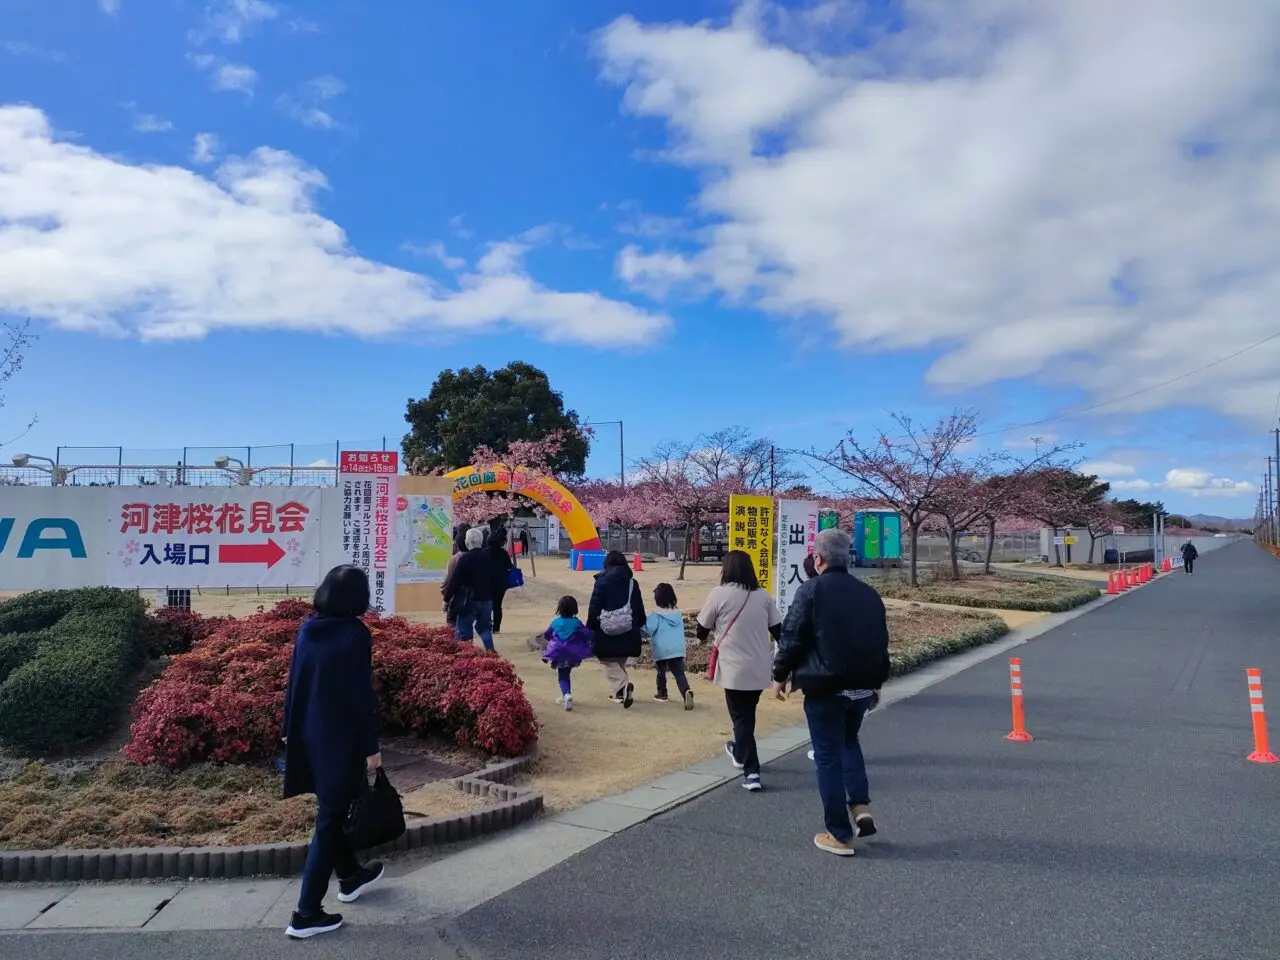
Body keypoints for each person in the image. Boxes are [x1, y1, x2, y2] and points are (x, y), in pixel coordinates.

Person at [281, 565, 386, 939]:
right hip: (340, 740)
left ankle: (351, 876)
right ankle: (305, 913)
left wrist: (287, 730)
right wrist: (372, 749)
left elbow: (296, 680)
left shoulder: (308, 627)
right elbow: (361, 698)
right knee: (328, 821)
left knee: (333, 808)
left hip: (309, 734)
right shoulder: (355, 635)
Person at [774, 528, 890, 857]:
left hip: (825, 687)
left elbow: (793, 636)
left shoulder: (811, 590)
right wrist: (876, 684)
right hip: (862, 688)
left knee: (827, 757)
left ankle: (839, 834)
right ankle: (861, 807)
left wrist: (780, 674)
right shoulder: (869, 594)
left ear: (818, 558)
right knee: (849, 743)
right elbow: (880, 644)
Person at [697, 550, 782, 791]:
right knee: (746, 716)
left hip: (734, 669)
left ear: (727, 569)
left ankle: (751, 772)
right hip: (759, 668)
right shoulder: (763, 596)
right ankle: (739, 749)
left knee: (741, 719)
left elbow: (701, 629)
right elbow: (779, 631)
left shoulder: (719, 594)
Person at [587, 550, 646, 708]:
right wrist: (641, 623)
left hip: (606, 629)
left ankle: (623, 685)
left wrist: (591, 625)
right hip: (628, 628)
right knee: (619, 662)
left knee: (606, 660)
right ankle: (619, 694)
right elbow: (638, 606)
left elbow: (595, 607)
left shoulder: (602, 582)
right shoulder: (632, 583)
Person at [443, 527, 502, 651]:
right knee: (484, 628)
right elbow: (496, 579)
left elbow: (455, 581)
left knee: (464, 631)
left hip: (468, 600)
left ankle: (467, 657)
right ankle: (491, 652)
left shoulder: (465, 559)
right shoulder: (488, 558)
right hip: (486, 599)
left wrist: (446, 599)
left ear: (467, 542)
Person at [644, 582, 694, 709]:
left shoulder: (656, 615)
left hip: (662, 649)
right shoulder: (677, 613)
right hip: (677, 648)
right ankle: (686, 691)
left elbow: (648, 629)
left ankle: (662, 693)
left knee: (661, 671)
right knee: (679, 673)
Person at [542, 595, 595, 712]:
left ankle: (566, 695)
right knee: (566, 673)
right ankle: (567, 694)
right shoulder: (576, 623)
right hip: (572, 653)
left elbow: (547, 634)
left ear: (559, 609)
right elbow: (588, 635)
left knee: (562, 675)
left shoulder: (555, 622)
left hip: (558, 653)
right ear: (575, 609)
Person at [486, 527, 515, 633]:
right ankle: (496, 628)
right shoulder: (503, 553)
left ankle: (487, 625)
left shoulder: (484, 552)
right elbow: (509, 566)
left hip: (487, 583)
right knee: (497, 605)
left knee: (487, 605)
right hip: (500, 583)